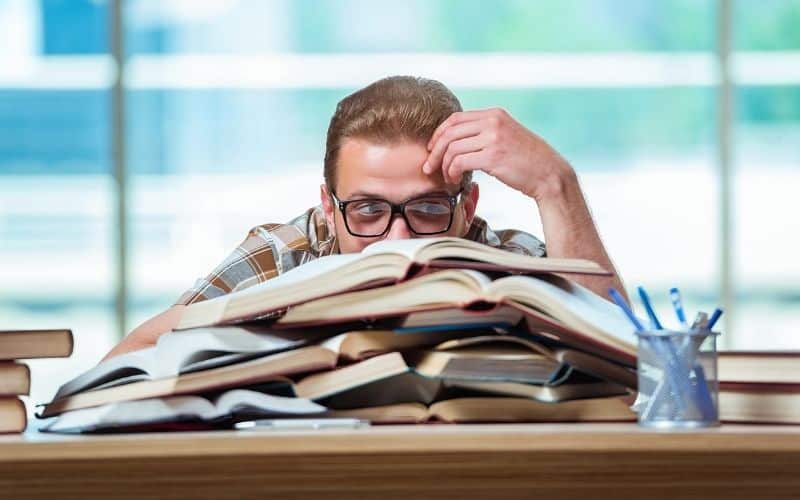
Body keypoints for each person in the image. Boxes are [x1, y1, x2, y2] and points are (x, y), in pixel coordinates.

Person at [104, 75, 625, 359]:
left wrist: (557, 187)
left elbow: (631, 361)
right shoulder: (285, 253)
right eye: (369, 210)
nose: (397, 239)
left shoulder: (513, 259)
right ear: (328, 210)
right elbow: (130, 359)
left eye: (427, 209)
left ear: (467, 209)